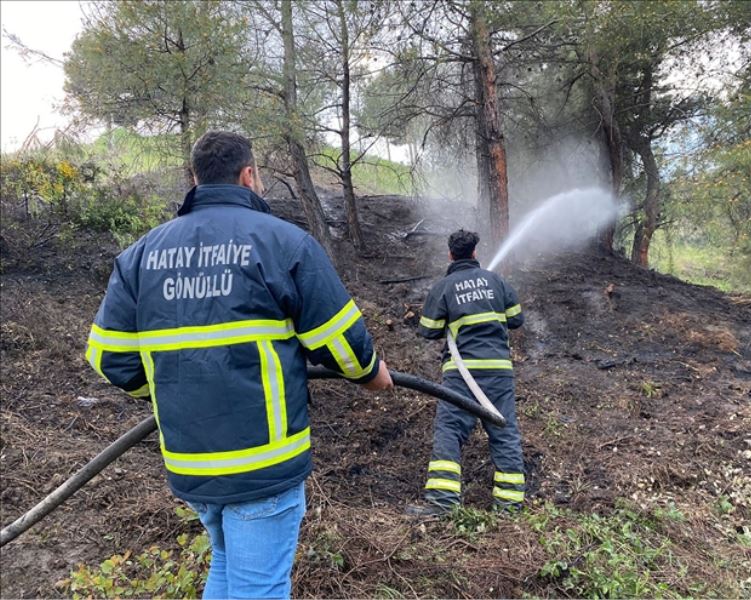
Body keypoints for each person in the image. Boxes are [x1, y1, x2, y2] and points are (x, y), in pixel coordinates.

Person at [85, 131, 393, 598]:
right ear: (249, 175)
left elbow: (108, 356)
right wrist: (373, 375)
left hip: (191, 462)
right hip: (262, 465)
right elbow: (341, 343)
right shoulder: (283, 243)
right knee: (259, 586)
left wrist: (166, 387)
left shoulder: (140, 256)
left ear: (194, 178)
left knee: (227, 566)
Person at [408, 229, 525, 517]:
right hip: (499, 373)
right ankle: (509, 506)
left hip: (462, 375)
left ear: (450, 254)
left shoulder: (444, 287)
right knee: (504, 432)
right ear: (475, 253)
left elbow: (428, 330)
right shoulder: (496, 281)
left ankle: (443, 503)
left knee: (449, 431)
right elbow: (516, 320)